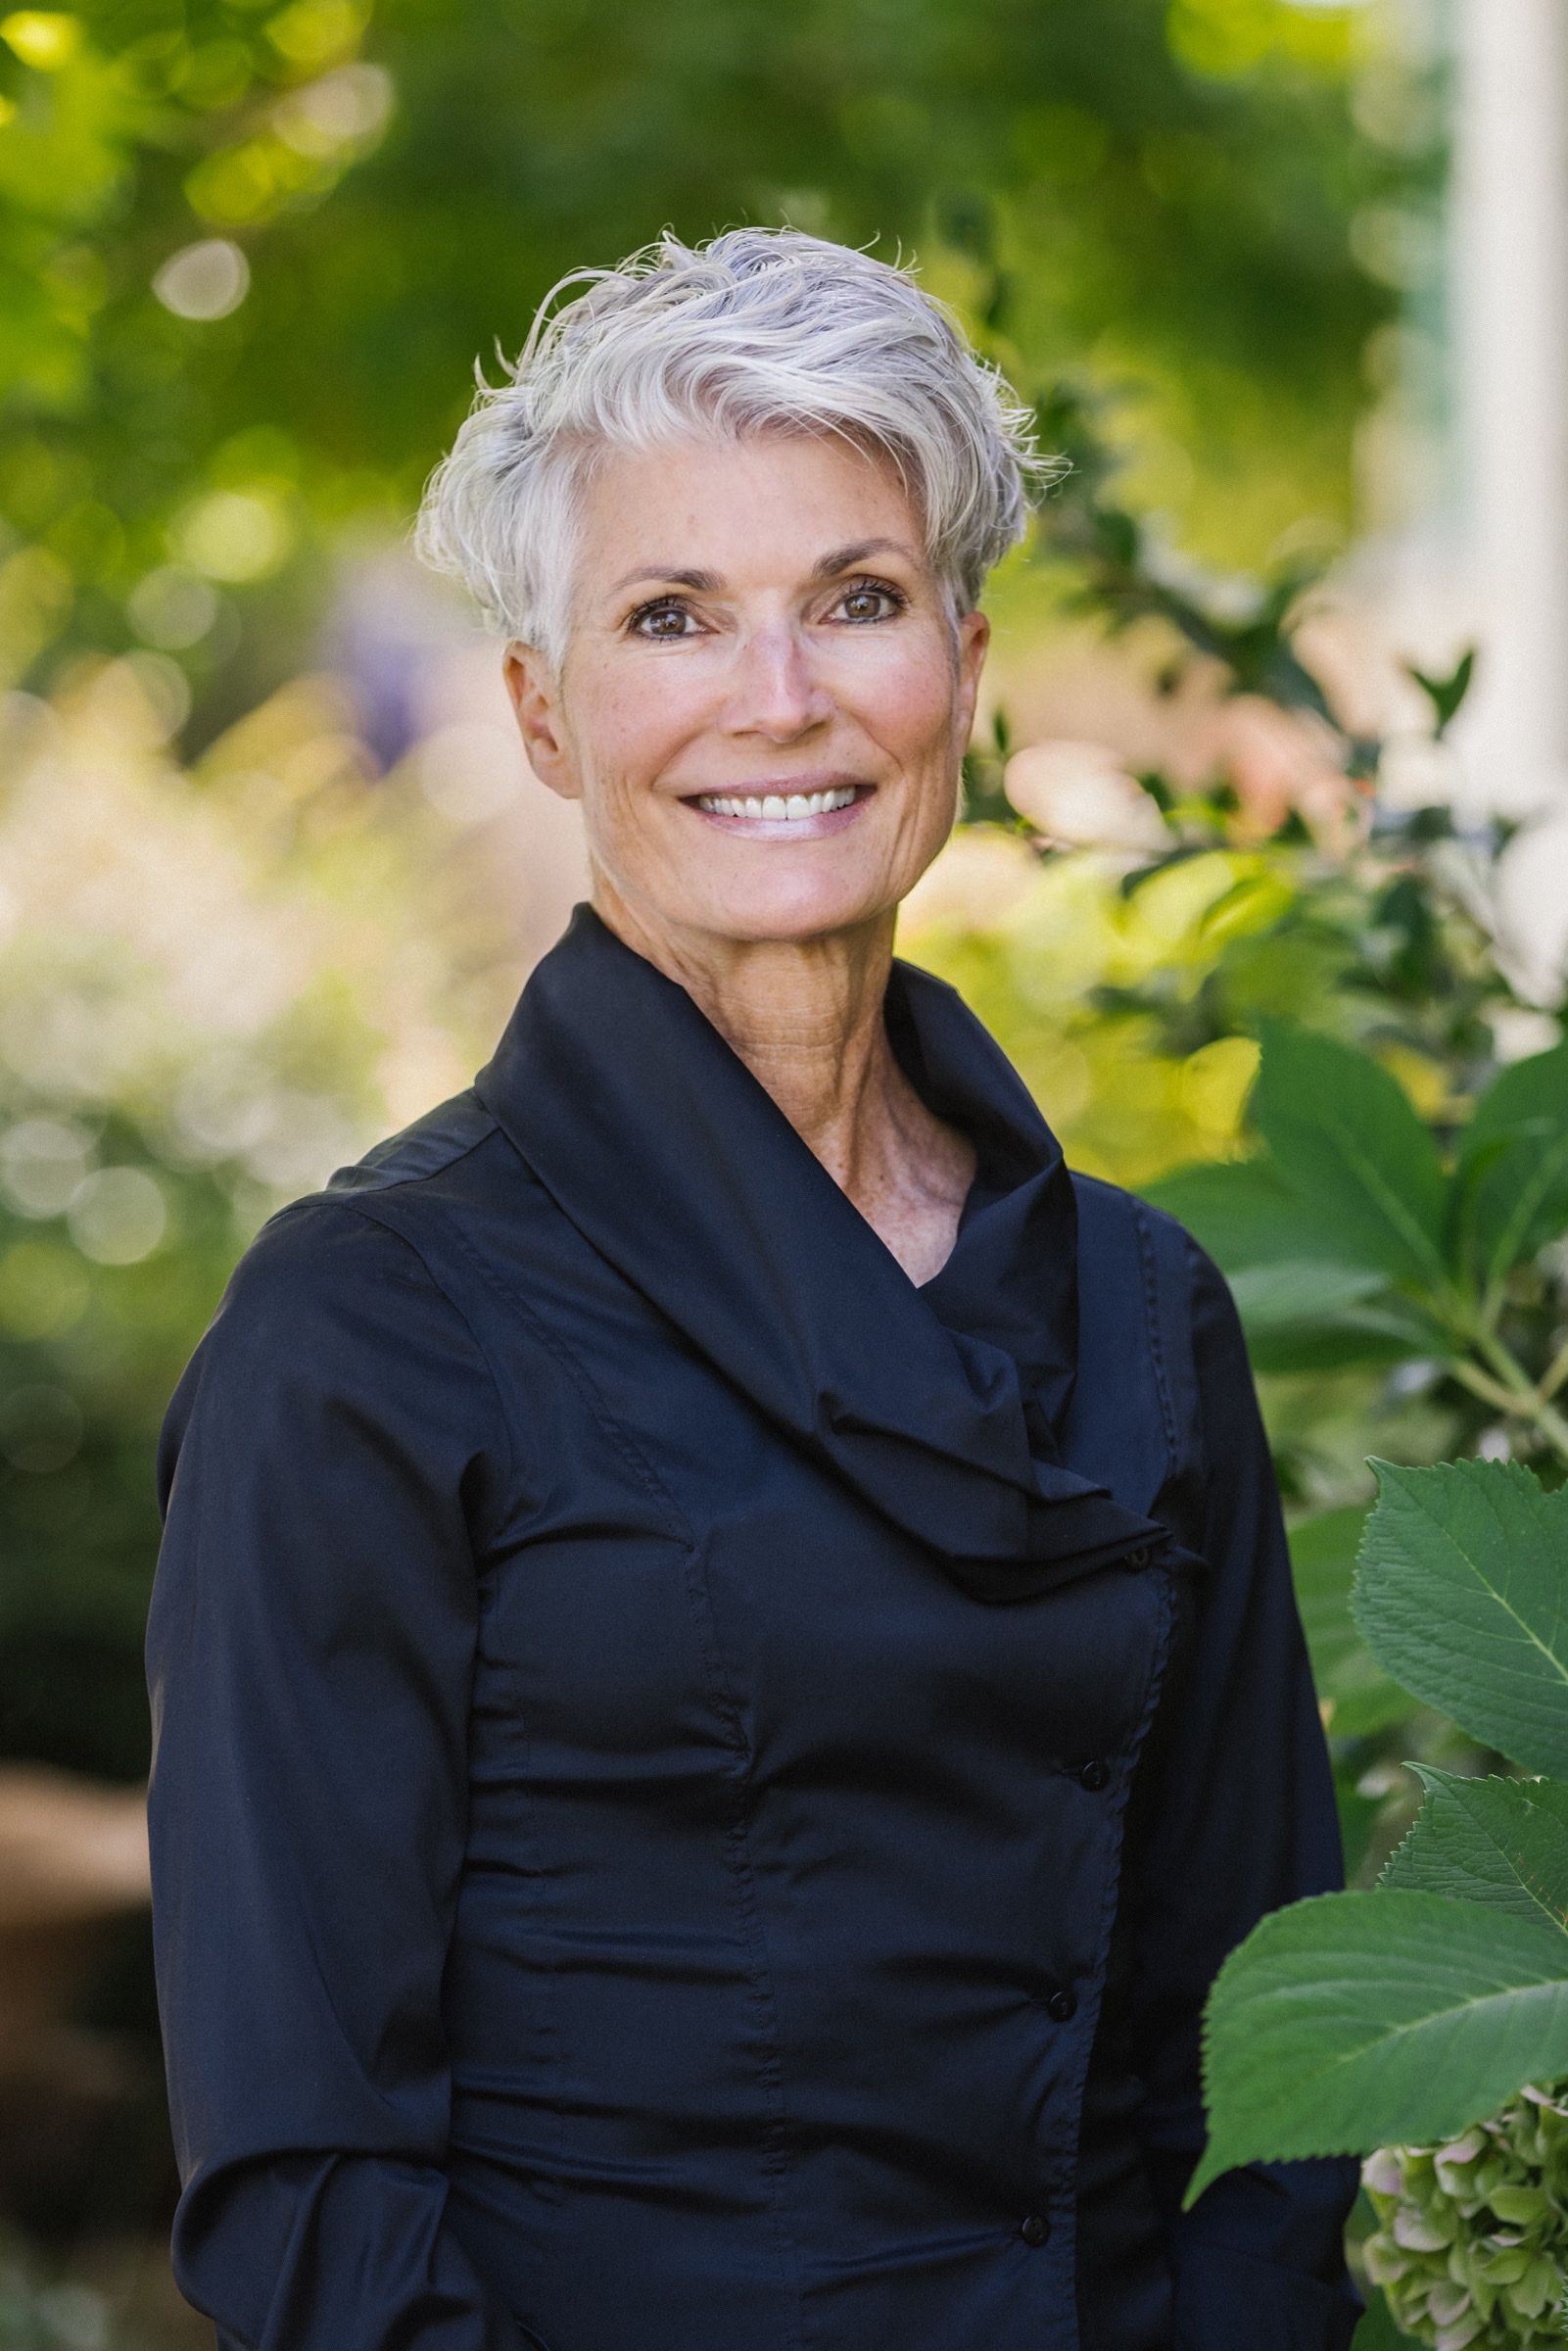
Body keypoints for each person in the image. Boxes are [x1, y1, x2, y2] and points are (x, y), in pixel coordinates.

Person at [144, 225, 1364, 2351]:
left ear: (961, 668)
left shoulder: (1150, 1317)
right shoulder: (367, 1330)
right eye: (673, 616)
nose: (778, 698)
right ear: (545, 713)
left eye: (857, 602)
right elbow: (306, 2183)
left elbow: (1263, 2059)